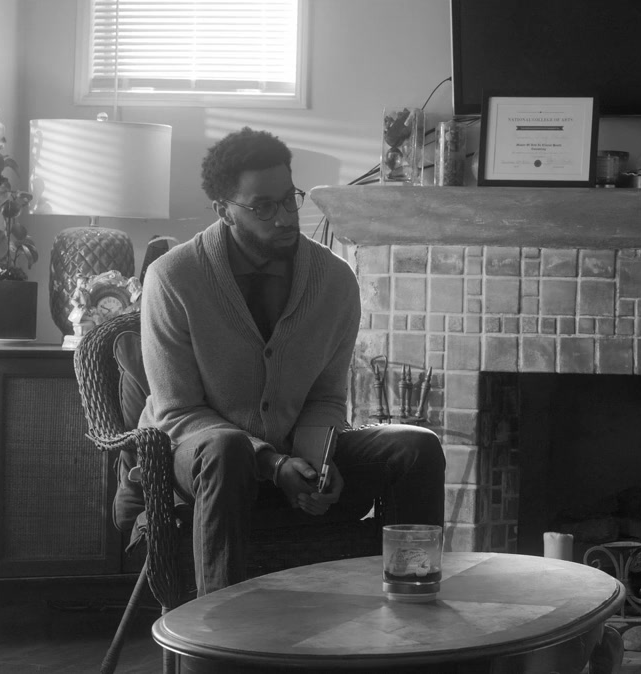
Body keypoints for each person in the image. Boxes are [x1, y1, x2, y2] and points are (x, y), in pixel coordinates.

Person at [139, 127, 445, 594]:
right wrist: (272, 463)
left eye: (289, 199)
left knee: (415, 446)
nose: (284, 217)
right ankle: (218, 631)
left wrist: (313, 463)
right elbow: (177, 412)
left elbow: (326, 397)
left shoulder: (335, 281)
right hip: (201, 464)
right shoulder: (173, 278)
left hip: (293, 453)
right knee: (228, 449)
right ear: (223, 210)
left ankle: (412, 606)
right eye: (263, 206)